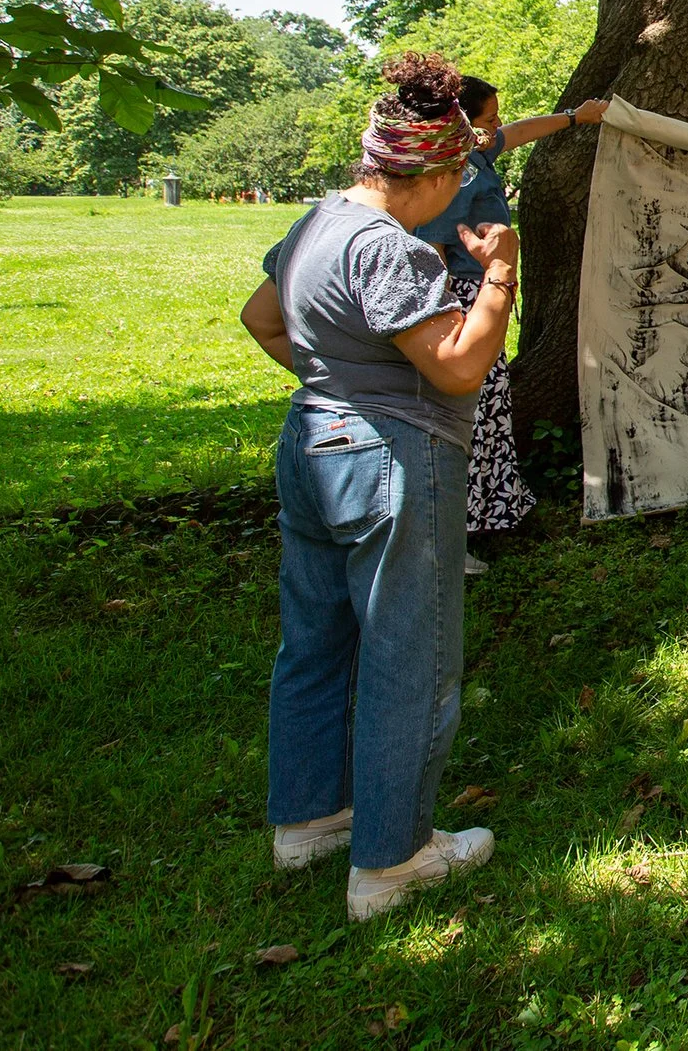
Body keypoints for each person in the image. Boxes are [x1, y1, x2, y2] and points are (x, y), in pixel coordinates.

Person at [239, 54, 511, 921]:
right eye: (456, 177)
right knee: (411, 653)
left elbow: (262, 317)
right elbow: (461, 367)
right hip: (393, 459)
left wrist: (339, 384)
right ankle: (392, 858)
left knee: (314, 639)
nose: (459, 195)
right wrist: (500, 274)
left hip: (311, 439)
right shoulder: (385, 247)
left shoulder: (315, 224)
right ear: (424, 171)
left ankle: (309, 819)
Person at [410, 80, 609, 572]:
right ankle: (449, 537)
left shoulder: (474, 158)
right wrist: (448, 318)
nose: (497, 127)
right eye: (488, 119)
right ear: (462, 124)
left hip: (484, 296)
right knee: (468, 413)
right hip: (459, 301)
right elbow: (433, 253)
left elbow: (517, 134)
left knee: (490, 406)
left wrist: (574, 117)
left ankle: (481, 520)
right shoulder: (449, 180)